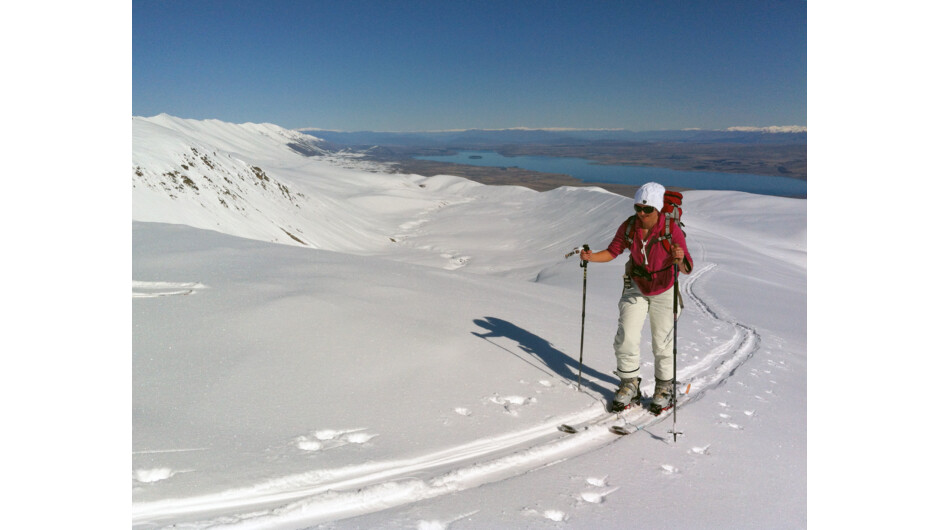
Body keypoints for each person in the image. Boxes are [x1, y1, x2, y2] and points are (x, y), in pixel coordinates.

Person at [579, 182, 693, 414]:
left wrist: (678, 257)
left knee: (662, 343)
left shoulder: (671, 229)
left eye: (647, 209)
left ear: (658, 208)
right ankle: (629, 383)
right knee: (627, 336)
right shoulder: (629, 226)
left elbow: (687, 268)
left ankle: (664, 388)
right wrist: (590, 257)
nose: (641, 213)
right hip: (637, 286)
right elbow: (612, 252)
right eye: (638, 208)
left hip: (664, 288)